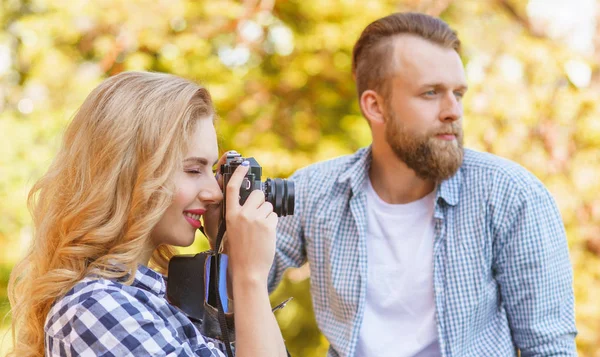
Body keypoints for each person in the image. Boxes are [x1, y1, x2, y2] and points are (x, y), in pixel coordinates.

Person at [268, 12, 577, 357]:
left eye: (458, 93)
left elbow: (550, 348)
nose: (453, 111)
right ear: (375, 106)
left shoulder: (511, 195)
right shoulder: (314, 191)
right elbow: (231, 292)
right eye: (431, 93)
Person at [7, 71, 288, 357]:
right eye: (193, 170)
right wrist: (250, 277)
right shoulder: (96, 310)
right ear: (129, 173)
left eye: (212, 170)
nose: (214, 193)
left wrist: (232, 273)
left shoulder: (160, 300)